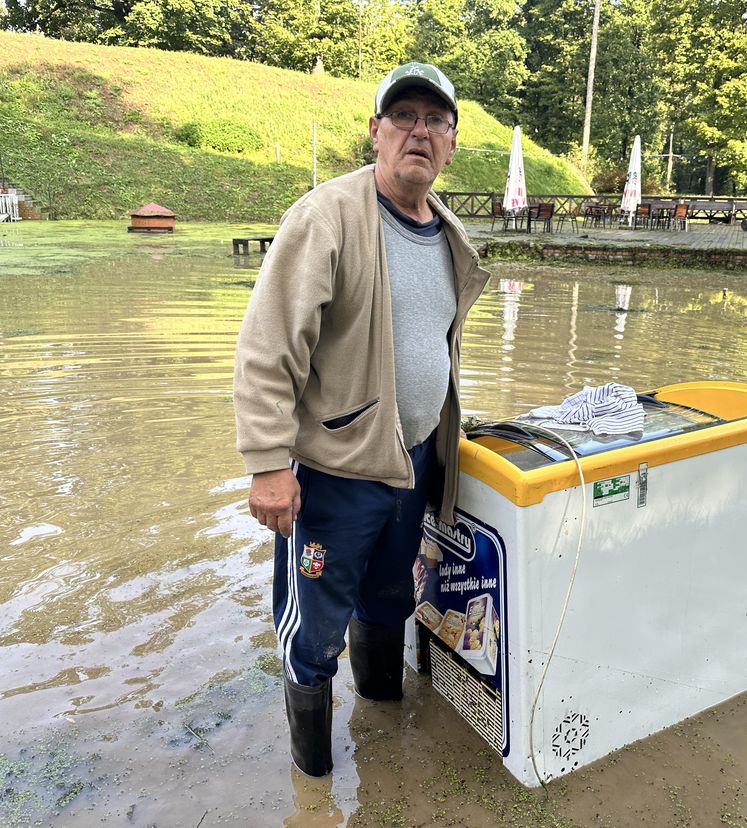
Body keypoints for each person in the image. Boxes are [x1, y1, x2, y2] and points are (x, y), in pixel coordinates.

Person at [233, 62, 490, 778]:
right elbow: (266, 347)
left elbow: (430, 347)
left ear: (451, 144)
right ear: (375, 131)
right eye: (403, 116)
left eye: (435, 121)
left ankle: (384, 731)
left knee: (389, 601)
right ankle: (310, 779)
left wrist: (451, 429)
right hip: (335, 473)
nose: (420, 131)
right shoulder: (327, 216)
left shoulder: (448, 235)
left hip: (413, 462)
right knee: (313, 631)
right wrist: (267, 464)